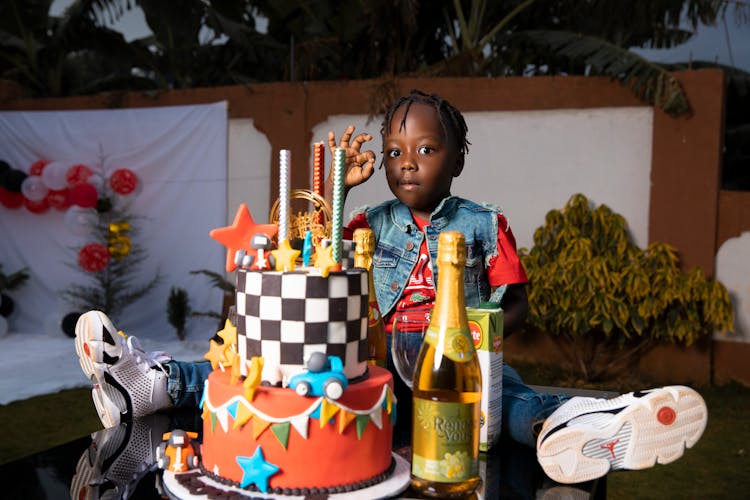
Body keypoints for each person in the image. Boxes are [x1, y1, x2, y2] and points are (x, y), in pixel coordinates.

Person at [74, 89, 708, 488]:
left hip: (454, 362)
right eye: (396, 149)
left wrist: (485, 330)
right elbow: (314, 242)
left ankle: (578, 429)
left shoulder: (485, 222)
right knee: (260, 372)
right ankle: (151, 385)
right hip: (368, 361)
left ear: (458, 158)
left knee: (503, 404)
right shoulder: (368, 220)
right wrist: (343, 185)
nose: (408, 161)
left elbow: (518, 301)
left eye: (427, 148)